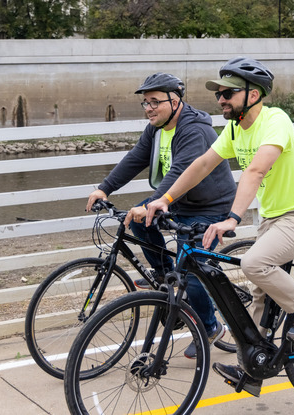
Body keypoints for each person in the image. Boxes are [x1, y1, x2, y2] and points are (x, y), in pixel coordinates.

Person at [145, 57, 294, 397]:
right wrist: (166, 199)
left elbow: (255, 171)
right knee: (262, 292)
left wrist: (232, 217)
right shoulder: (233, 129)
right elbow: (203, 164)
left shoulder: (276, 120)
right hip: (275, 218)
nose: (221, 100)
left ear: (254, 94)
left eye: (228, 93)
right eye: (218, 94)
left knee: (254, 264)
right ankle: (256, 367)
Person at [86, 72, 237, 359]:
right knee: (139, 222)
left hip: (209, 207)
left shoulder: (194, 130)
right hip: (177, 202)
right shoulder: (156, 128)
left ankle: (210, 326)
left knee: (191, 271)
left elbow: (182, 170)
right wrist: (104, 188)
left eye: (155, 101)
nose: (149, 108)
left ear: (176, 100)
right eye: (145, 103)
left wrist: (155, 202)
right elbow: (135, 158)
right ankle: (165, 274)